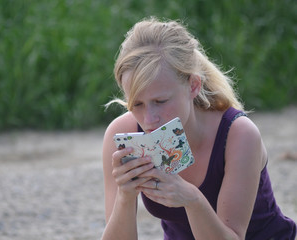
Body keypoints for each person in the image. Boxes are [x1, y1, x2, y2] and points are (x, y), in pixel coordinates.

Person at [101, 17, 296, 240]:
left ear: (193, 85)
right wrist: (125, 197)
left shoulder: (238, 134)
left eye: (161, 101)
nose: (149, 119)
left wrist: (192, 199)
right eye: (137, 104)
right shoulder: (122, 134)